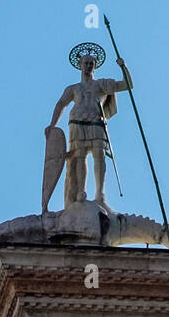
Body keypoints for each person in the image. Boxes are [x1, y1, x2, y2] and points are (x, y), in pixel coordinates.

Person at [49, 43, 133, 205]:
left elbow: (127, 85)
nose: (88, 65)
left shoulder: (102, 84)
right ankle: (81, 190)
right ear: (80, 65)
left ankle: (100, 192)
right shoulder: (73, 88)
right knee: (79, 157)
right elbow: (61, 104)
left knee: (99, 156)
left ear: (95, 65)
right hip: (77, 122)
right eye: (85, 63)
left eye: (91, 63)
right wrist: (52, 125)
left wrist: (124, 67)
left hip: (96, 122)